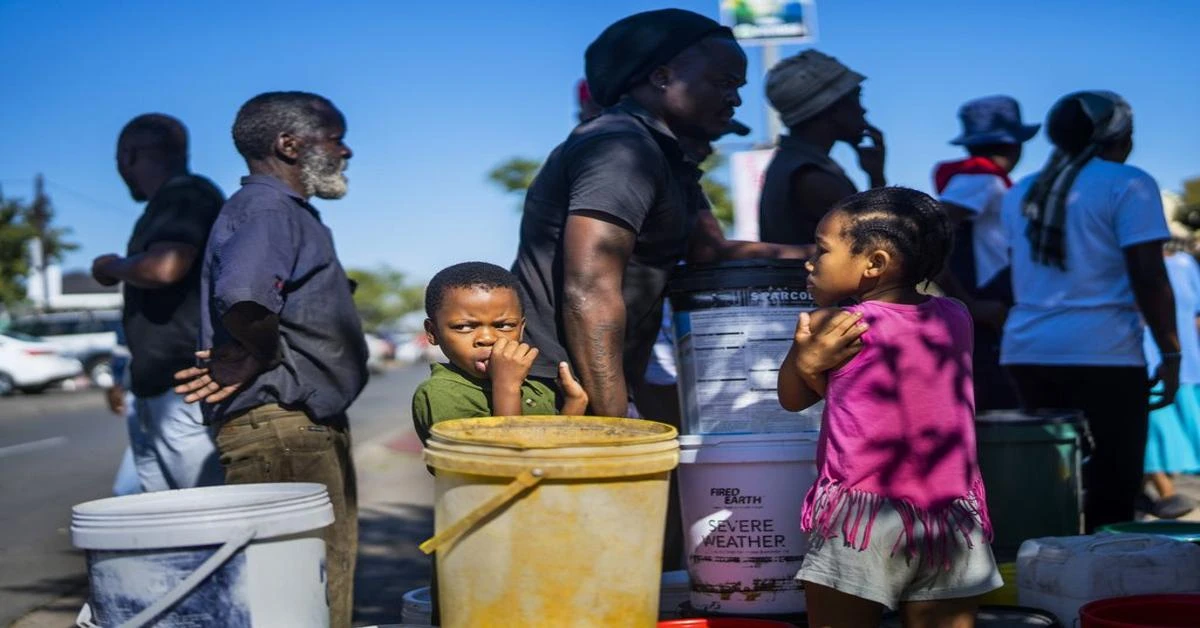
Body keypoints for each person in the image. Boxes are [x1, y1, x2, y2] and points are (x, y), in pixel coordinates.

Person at [512, 8, 809, 419]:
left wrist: (827, 254)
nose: (736, 100)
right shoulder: (620, 149)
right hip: (559, 391)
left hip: (591, 384)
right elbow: (589, 288)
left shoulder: (666, 156)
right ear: (662, 76)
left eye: (739, 86)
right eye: (724, 83)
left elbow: (709, 250)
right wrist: (614, 425)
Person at [173, 91, 368, 628]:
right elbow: (245, 294)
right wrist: (258, 354)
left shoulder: (284, 213)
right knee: (298, 602)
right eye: (335, 137)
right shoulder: (267, 209)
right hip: (284, 430)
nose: (346, 151)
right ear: (288, 144)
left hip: (302, 427)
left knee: (319, 592)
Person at [778, 187, 1001, 626]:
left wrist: (805, 362)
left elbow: (793, 398)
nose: (810, 262)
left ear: (874, 263)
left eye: (822, 251)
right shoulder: (955, 315)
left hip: (862, 519)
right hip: (951, 517)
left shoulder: (837, 324)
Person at [1001, 90, 1179, 532]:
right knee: (1114, 487)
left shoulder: (1023, 191)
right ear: (1116, 136)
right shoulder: (1129, 183)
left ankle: (1046, 580)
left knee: (1045, 483)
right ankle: (1101, 589)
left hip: (1028, 350)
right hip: (1106, 353)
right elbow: (1149, 275)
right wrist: (1172, 354)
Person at [92, 113, 224, 491]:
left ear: (128, 156)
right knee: (166, 527)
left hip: (185, 390)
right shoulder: (168, 203)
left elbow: (167, 267)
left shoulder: (185, 194)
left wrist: (110, 266)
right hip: (158, 393)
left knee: (208, 519)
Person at [932, 95, 1040, 411]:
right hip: (987, 308)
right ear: (1015, 145)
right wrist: (969, 303)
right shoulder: (982, 178)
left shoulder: (982, 179)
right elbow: (934, 231)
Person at [412, 261, 589, 443]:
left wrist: (575, 404)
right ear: (432, 333)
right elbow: (500, 462)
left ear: (520, 329)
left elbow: (549, 450)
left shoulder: (534, 386)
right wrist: (506, 387)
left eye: (504, 325)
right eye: (464, 327)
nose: (488, 338)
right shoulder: (442, 394)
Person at [758, 50, 886, 246]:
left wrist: (875, 174)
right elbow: (874, 247)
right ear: (832, 107)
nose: (863, 109)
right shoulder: (813, 176)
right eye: (856, 98)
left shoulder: (793, 163)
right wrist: (877, 180)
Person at [1141, 240, 1200, 519]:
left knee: (1177, 438)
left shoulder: (1185, 264)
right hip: (1148, 362)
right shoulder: (1130, 264)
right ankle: (1164, 492)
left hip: (1186, 363)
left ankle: (1140, 494)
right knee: (1152, 433)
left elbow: (1196, 314)